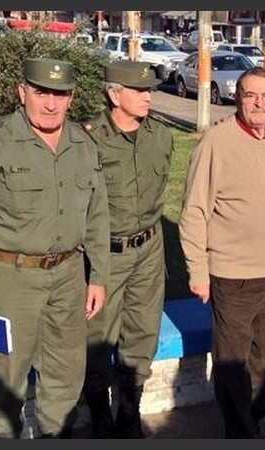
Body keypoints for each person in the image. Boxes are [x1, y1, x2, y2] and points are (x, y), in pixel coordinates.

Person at [0, 57, 110, 438]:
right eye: (41, 92)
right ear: (23, 93)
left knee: (66, 370)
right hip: (11, 278)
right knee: (6, 375)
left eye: (60, 94)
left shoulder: (83, 144)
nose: (51, 103)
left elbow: (98, 215)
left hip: (69, 275)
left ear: (71, 98)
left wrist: (98, 275)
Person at [179, 66, 265, 438]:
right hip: (234, 277)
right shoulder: (217, 142)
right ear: (237, 98)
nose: (259, 103)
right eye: (250, 95)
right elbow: (194, 211)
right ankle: (240, 432)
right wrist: (198, 270)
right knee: (233, 365)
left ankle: (253, 422)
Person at [80, 60, 174, 438]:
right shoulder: (87, 138)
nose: (148, 96)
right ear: (114, 94)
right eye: (139, 91)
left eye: (150, 89)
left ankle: (129, 409)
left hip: (150, 249)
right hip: (105, 253)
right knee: (98, 335)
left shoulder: (160, 136)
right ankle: (100, 413)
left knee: (142, 332)